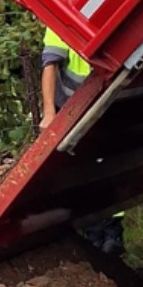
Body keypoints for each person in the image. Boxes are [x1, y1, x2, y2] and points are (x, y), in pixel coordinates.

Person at [39, 26, 124, 254]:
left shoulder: (109, 20)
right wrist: (49, 115)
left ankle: (110, 234)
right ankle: (97, 235)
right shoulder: (61, 23)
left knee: (105, 167)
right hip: (70, 108)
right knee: (82, 171)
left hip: (103, 102)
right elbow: (50, 65)